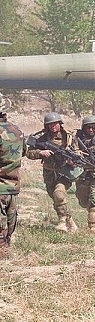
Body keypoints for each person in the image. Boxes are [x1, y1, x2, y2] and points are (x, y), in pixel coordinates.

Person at [26, 112, 81, 232]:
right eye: (50, 124)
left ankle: (61, 222)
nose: (53, 126)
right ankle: (70, 221)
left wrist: (72, 161)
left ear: (60, 124)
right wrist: (40, 153)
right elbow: (28, 152)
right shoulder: (42, 138)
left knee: (59, 194)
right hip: (49, 172)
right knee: (56, 199)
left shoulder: (69, 137)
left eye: (55, 124)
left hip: (64, 172)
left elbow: (77, 152)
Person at [0, 95, 24, 249]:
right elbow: (24, 151)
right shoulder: (17, 130)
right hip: (13, 185)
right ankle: (6, 247)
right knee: (11, 217)